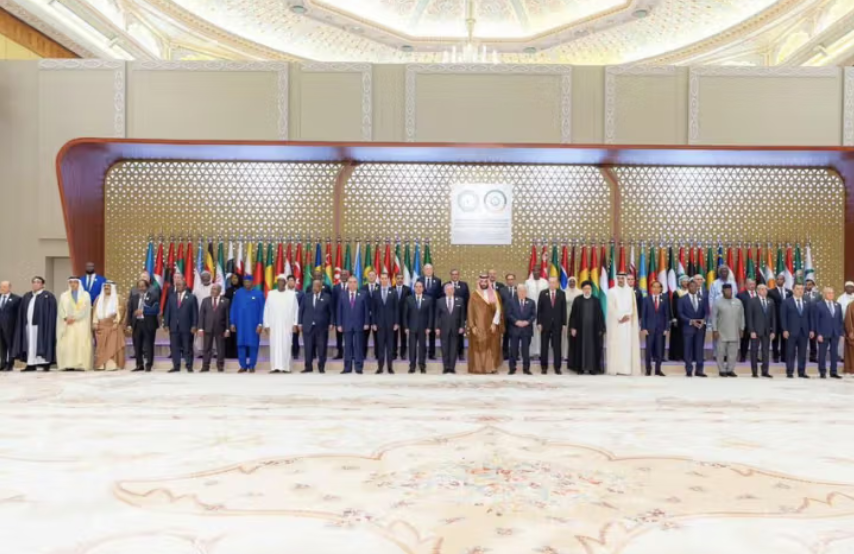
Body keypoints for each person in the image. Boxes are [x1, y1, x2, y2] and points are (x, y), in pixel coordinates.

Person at [14, 276, 57, 372]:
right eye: (33, 282)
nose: (35, 284)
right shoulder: (27, 296)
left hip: (42, 326)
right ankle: (31, 364)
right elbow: (22, 311)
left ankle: (45, 363)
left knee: (42, 342)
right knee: (30, 344)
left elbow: (52, 313)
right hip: (28, 326)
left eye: (38, 282)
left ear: (42, 284)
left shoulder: (48, 296)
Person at [605, 273, 642, 376]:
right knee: (616, 346)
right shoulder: (611, 291)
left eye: (622, 278)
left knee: (627, 346)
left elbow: (633, 307)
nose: (620, 280)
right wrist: (620, 317)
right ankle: (616, 368)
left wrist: (627, 316)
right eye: (619, 278)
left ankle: (626, 369)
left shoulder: (630, 291)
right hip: (616, 323)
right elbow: (611, 307)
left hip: (628, 323)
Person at [264, 275, 300, 374]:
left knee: (286, 345)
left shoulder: (291, 295)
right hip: (274, 325)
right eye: (279, 281)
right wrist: (266, 324)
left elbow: (296, 310)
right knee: (274, 346)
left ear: (285, 283)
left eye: (282, 281)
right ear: (277, 282)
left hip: (287, 325)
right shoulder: (271, 294)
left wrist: (295, 324)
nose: (280, 283)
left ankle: (286, 367)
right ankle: (274, 367)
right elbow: (266, 309)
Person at [56, 278, 93, 372]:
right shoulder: (64, 295)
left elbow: (85, 310)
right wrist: (65, 318)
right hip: (67, 324)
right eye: (71, 282)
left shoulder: (85, 295)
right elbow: (60, 309)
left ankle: (80, 365)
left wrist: (75, 318)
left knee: (80, 344)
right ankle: (68, 364)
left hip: (81, 323)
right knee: (68, 344)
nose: (73, 284)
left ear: (79, 283)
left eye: (75, 282)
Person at [230, 275, 265, 373]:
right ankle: (243, 366)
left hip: (253, 325)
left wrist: (260, 323)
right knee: (241, 344)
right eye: (245, 282)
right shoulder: (238, 293)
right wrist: (232, 322)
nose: (247, 284)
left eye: (248, 282)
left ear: (252, 282)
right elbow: (233, 308)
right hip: (241, 324)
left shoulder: (259, 294)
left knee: (253, 345)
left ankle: (252, 365)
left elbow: (263, 310)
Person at [163, 276, 198, 373]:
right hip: (174, 327)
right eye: (176, 285)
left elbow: (195, 313)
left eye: (179, 285)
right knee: (174, 347)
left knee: (187, 347)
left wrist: (194, 325)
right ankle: (176, 366)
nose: (177, 286)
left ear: (185, 286)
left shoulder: (191, 297)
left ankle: (189, 365)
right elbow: (167, 311)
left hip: (187, 327)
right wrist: (166, 324)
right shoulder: (171, 296)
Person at [569, 281, 605, 375]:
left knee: (593, 348)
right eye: (585, 289)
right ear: (582, 290)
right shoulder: (577, 300)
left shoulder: (596, 300)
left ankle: (592, 368)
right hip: (580, 330)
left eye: (588, 289)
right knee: (580, 348)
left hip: (593, 330)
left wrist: (601, 328)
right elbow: (573, 315)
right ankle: (580, 368)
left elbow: (600, 315)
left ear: (591, 290)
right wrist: (573, 327)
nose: (587, 290)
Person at [299, 278, 334, 374]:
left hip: (322, 327)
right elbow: (301, 310)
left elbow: (331, 312)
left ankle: (321, 366)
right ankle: (308, 367)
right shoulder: (306, 296)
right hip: (308, 326)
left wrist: (331, 323)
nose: (315, 287)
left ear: (321, 287)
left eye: (318, 286)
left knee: (322, 347)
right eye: (314, 285)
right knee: (308, 347)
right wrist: (300, 323)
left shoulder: (327, 297)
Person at [337, 276, 370, 374]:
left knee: (358, 346)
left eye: (354, 282)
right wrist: (339, 324)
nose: (352, 284)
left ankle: (358, 367)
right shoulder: (342, 294)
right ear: (347, 283)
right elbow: (339, 310)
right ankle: (347, 367)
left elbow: (366, 309)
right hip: (346, 324)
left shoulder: (363, 294)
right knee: (347, 346)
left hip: (359, 324)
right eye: (350, 282)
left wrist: (366, 322)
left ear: (357, 283)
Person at [126, 279, 159, 372]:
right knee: (137, 345)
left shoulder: (153, 296)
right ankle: (139, 364)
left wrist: (143, 311)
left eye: (143, 286)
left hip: (149, 324)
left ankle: (149, 364)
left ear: (147, 287)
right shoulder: (134, 298)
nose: (141, 288)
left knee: (149, 345)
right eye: (139, 286)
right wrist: (129, 325)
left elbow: (155, 310)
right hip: (137, 324)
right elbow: (130, 312)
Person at [712, 284, 744, 378]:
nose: (729, 292)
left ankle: (730, 369)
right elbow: (714, 317)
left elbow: (742, 316)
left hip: (734, 331)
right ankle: (722, 370)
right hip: (721, 332)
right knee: (720, 352)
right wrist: (715, 330)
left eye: (730, 290)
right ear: (722, 291)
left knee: (733, 353)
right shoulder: (717, 302)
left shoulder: (738, 302)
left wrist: (742, 328)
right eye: (726, 290)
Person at [92, 281, 125, 371]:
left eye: (108, 286)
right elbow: (95, 312)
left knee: (111, 346)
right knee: (101, 347)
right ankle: (100, 365)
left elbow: (121, 311)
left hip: (112, 326)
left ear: (113, 288)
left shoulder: (118, 298)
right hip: (101, 326)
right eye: (105, 286)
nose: (106, 287)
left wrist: (116, 323)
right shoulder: (98, 298)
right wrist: (95, 323)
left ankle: (111, 365)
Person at [537, 276, 567, 375]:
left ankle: (557, 368)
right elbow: (539, 310)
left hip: (557, 324)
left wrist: (564, 323)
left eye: (554, 282)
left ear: (557, 283)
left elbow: (563, 310)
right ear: (548, 283)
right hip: (545, 324)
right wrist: (539, 323)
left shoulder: (561, 294)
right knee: (544, 346)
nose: (552, 284)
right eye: (550, 282)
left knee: (557, 346)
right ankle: (544, 367)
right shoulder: (543, 293)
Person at [781, 283, 811, 379]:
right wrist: (785, 329)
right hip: (791, 331)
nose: (800, 291)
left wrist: (811, 330)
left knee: (803, 353)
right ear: (793, 290)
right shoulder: (786, 302)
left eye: (802, 289)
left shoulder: (807, 302)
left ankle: (801, 372)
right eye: (798, 289)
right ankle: (790, 371)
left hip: (804, 331)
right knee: (790, 352)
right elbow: (783, 317)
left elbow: (810, 317)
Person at [198, 283, 230, 372]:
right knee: (207, 348)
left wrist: (227, 329)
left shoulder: (226, 301)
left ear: (219, 291)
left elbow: (227, 316)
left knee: (220, 348)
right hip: (208, 327)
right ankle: (205, 366)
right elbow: (201, 315)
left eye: (215, 289)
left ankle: (220, 365)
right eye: (212, 289)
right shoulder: (205, 300)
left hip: (220, 328)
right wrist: (200, 328)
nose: (212, 291)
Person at [746, 284, 776, 378]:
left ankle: (765, 371)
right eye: (762, 289)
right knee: (754, 352)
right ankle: (754, 371)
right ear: (757, 291)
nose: (764, 291)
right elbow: (749, 317)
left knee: (766, 352)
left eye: (765, 289)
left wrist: (773, 331)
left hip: (767, 331)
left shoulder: (770, 301)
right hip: (755, 331)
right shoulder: (752, 301)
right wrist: (751, 330)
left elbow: (773, 317)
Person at [679, 280, 708, 378]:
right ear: (688, 287)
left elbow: (707, 312)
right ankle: (689, 370)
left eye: (695, 286)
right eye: (691, 286)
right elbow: (680, 314)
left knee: (699, 349)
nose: (694, 288)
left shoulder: (702, 298)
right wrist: (691, 321)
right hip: (688, 328)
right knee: (688, 349)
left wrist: (704, 320)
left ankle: (699, 370)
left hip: (700, 328)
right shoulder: (682, 299)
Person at [371, 272, 399, 374]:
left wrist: (396, 322)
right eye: (382, 278)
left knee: (390, 347)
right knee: (380, 347)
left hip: (391, 324)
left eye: (385, 278)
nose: (383, 280)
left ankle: (390, 367)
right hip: (379, 325)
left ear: (388, 280)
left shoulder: (394, 292)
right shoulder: (375, 292)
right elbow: (373, 309)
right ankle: (380, 367)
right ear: (380, 280)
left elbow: (396, 309)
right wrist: (373, 323)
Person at [812, 286, 843, 379]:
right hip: (823, 333)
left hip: (835, 333)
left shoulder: (838, 305)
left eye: (832, 293)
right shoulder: (818, 305)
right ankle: (822, 371)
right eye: (829, 293)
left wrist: (841, 333)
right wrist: (818, 334)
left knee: (834, 353)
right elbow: (816, 321)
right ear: (824, 294)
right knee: (822, 353)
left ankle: (833, 371)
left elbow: (840, 320)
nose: (831, 294)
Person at [403, 280, 433, 374]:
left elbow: (430, 315)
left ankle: (422, 366)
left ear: (423, 288)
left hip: (423, 328)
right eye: (417, 287)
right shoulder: (409, 299)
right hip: (411, 327)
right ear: (414, 288)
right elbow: (405, 315)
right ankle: (412, 366)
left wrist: (429, 327)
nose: (418, 288)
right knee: (412, 347)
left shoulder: (428, 299)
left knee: (422, 347)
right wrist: (406, 327)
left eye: (420, 286)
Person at [436, 282, 465, 374]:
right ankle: (446, 367)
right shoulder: (439, 301)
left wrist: (462, 326)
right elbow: (437, 316)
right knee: (444, 348)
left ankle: (452, 367)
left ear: (454, 290)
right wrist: (437, 328)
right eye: (447, 290)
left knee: (454, 348)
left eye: (451, 289)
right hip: (443, 328)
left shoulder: (460, 300)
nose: (449, 291)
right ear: (445, 291)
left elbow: (462, 315)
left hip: (455, 328)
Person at [640, 280, 669, 376]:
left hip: (660, 329)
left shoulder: (664, 299)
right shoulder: (646, 299)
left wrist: (666, 328)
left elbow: (667, 315)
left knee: (659, 350)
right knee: (648, 350)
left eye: (658, 287)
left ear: (661, 289)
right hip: (649, 329)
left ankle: (658, 369)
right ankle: (648, 369)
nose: (656, 289)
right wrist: (644, 328)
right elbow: (643, 315)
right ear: (651, 288)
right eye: (654, 287)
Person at [506, 284, 536, 375]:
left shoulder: (531, 302)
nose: (522, 293)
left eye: (524, 291)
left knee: (525, 351)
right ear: (517, 292)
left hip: (526, 330)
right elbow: (508, 314)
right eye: (520, 291)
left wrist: (527, 322)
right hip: (514, 329)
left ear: (526, 292)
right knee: (513, 350)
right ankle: (512, 368)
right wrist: (516, 322)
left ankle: (526, 369)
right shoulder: (511, 302)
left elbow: (533, 315)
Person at [418, 264, 442, 360]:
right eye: (426, 269)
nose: (428, 270)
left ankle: (431, 354)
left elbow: (439, 295)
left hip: (434, 310)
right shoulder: (419, 280)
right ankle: (422, 353)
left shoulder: (438, 280)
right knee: (422, 333)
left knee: (432, 333)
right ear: (424, 270)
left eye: (430, 269)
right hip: (423, 310)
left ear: (432, 270)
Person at [446, 269, 469, 360]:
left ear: (459, 275)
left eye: (456, 274)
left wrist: (466, 315)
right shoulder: (445, 285)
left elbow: (467, 300)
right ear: (450, 275)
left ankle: (460, 353)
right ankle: (450, 353)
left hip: (460, 315)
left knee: (460, 335)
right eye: (453, 274)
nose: (455, 276)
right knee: (449, 334)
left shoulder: (464, 285)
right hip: (448, 315)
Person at [525, 267, 548, 361]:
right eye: (534, 271)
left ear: (540, 272)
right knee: (532, 332)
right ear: (532, 272)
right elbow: (525, 296)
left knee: (541, 331)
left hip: (543, 310)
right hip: (531, 310)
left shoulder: (545, 282)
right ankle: (531, 352)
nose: (536, 272)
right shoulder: (527, 282)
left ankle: (540, 352)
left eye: (538, 270)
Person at [768, 273, 791, 363]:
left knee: (785, 338)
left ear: (784, 281)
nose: (780, 281)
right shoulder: (771, 292)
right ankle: (775, 356)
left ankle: (784, 356)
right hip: (775, 318)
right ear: (775, 281)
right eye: (778, 279)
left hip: (786, 319)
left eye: (781, 279)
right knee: (775, 338)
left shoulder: (789, 292)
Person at [0, 281, 21, 371]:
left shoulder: (16, 299)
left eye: (4, 286)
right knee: (2, 345)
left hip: (10, 326)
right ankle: (3, 363)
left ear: (9, 288)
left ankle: (10, 364)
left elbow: (19, 314)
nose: (2, 288)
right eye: (1, 286)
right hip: (0, 326)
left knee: (10, 345)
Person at [736, 279, 758, 363]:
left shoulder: (759, 294)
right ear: (745, 285)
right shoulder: (740, 295)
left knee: (756, 341)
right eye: (750, 284)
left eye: (753, 284)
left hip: (757, 321)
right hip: (745, 321)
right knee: (744, 340)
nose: (752, 286)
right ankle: (743, 356)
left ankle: (755, 357)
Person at [193, 270, 214, 357]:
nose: (205, 278)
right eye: (203, 277)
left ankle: (213, 351)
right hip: (200, 315)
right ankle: (200, 351)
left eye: (207, 277)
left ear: (210, 278)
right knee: (201, 334)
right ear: (201, 279)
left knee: (212, 333)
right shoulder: (196, 290)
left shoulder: (214, 288)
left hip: (213, 315)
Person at [669, 276, 690, 362]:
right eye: (683, 281)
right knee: (677, 338)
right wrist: (674, 317)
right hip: (678, 319)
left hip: (688, 319)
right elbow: (673, 306)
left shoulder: (691, 292)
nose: (685, 283)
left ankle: (687, 356)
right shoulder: (676, 293)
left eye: (687, 281)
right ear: (680, 282)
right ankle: (676, 356)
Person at [498, 273, 518, 360]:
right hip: (505, 317)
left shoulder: (518, 289)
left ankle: (515, 354)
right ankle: (505, 354)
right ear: (506, 281)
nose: (510, 281)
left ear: (514, 280)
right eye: (508, 279)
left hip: (516, 317)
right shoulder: (502, 290)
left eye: (512, 279)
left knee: (515, 337)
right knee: (505, 336)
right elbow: (499, 303)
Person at [332, 269, 350, 359]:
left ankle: (350, 353)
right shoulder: (335, 288)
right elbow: (333, 304)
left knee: (349, 337)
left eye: (345, 274)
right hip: (339, 317)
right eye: (342, 274)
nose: (343, 276)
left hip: (349, 317)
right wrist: (334, 319)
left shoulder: (352, 286)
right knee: (339, 337)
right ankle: (340, 353)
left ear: (348, 276)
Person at [562, 276, 581, 365]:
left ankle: (575, 355)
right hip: (566, 314)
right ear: (568, 283)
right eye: (570, 281)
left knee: (576, 334)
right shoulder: (563, 292)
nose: (572, 283)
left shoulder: (580, 292)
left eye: (573, 281)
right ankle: (565, 355)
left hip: (577, 315)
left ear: (576, 282)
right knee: (566, 335)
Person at [223, 273, 242, 359]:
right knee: (230, 334)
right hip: (229, 315)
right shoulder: (228, 290)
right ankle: (229, 354)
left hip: (241, 316)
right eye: (232, 278)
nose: (234, 280)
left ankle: (240, 353)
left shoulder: (243, 290)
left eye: (236, 278)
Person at [361, 270, 379, 360]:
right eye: (370, 275)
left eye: (373, 275)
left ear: (376, 276)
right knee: (364, 337)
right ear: (367, 277)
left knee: (377, 337)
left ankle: (377, 354)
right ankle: (363, 354)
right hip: (365, 317)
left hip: (377, 317)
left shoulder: (380, 287)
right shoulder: (362, 288)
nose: (371, 277)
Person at [392, 273, 410, 361]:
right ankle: (394, 353)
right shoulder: (391, 289)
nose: (400, 280)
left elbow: (410, 303)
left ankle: (403, 354)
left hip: (404, 317)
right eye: (398, 278)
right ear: (395, 279)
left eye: (401, 278)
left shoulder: (408, 289)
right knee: (393, 336)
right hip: (394, 317)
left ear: (403, 279)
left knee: (403, 337)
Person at [804, 279, 821, 363]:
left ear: (813, 285)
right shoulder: (802, 294)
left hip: (814, 320)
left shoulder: (818, 295)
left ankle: (813, 356)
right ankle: (802, 356)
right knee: (803, 340)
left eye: (810, 284)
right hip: (804, 320)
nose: (808, 286)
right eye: (806, 284)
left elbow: (820, 306)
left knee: (813, 339)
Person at [838, 281, 854, 363]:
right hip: (843, 322)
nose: (850, 288)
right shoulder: (841, 298)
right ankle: (842, 356)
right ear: (845, 288)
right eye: (848, 287)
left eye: (851, 287)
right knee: (843, 340)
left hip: (853, 323)